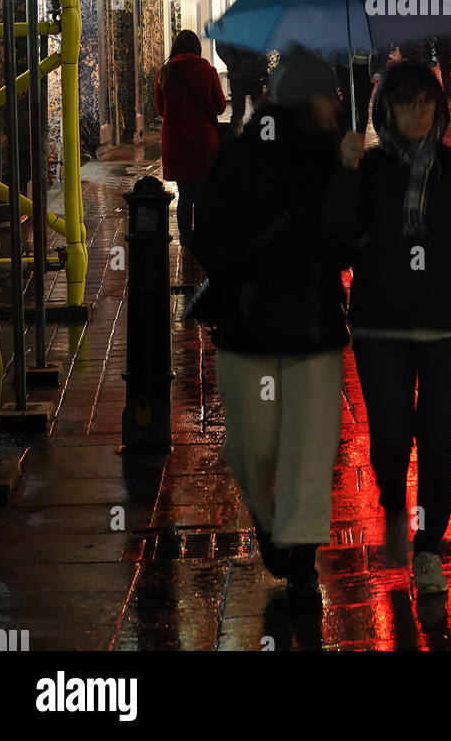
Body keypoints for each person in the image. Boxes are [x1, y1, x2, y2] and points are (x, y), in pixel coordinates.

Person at [325, 63, 451, 595]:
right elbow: (336, 240)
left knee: (435, 435)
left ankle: (429, 548)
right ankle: (391, 503)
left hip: (450, 329)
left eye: (426, 102)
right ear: (386, 111)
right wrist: (344, 172)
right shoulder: (368, 169)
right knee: (389, 434)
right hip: (382, 326)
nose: (417, 112)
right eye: (405, 103)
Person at [190, 44, 349, 608]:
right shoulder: (320, 161)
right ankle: (298, 559)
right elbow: (345, 244)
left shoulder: (241, 153)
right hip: (306, 324)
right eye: (328, 97)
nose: (335, 106)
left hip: (251, 326)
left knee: (259, 443)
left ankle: (276, 532)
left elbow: (203, 234)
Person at [155, 30, 226, 254]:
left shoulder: (165, 73)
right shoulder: (208, 70)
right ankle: (203, 237)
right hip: (205, 143)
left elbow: (160, 110)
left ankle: (185, 239)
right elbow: (220, 106)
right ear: (197, 48)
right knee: (204, 193)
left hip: (176, 144)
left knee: (185, 194)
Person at [215, 41, 269, 134]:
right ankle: (237, 138)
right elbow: (221, 46)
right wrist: (234, 63)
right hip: (240, 75)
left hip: (253, 73)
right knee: (239, 114)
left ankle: (266, 139)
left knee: (262, 112)